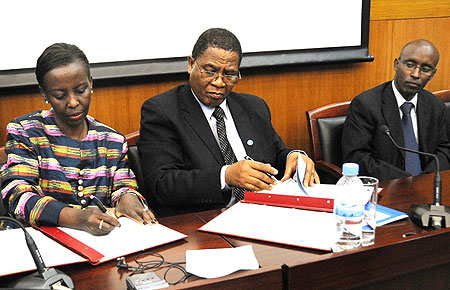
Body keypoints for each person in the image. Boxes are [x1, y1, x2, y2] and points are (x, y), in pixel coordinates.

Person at [138, 28, 319, 216]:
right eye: (210, 71)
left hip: (262, 213)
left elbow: (276, 154)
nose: (219, 82)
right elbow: (162, 184)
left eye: (229, 74)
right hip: (203, 221)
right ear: (191, 64)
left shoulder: (253, 107)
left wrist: (295, 156)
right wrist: (226, 176)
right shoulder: (162, 111)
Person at [1, 43, 156, 235]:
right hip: (42, 244)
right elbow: (17, 196)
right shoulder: (27, 132)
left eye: (81, 90)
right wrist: (75, 217)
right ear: (44, 93)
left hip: (103, 245)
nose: (73, 102)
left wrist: (128, 198)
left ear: (91, 83)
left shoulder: (111, 140)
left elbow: (123, 185)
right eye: (60, 95)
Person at [342, 39, 450, 181]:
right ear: (397, 64)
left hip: (426, 186)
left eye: (425, 69)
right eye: (410, 65)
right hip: (386, 186)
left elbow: (445, 150)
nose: (416, 74)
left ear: (433, 74)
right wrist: (407, 181)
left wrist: (424, 180)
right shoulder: (365, 105)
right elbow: (356, 157)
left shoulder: (436, 106)